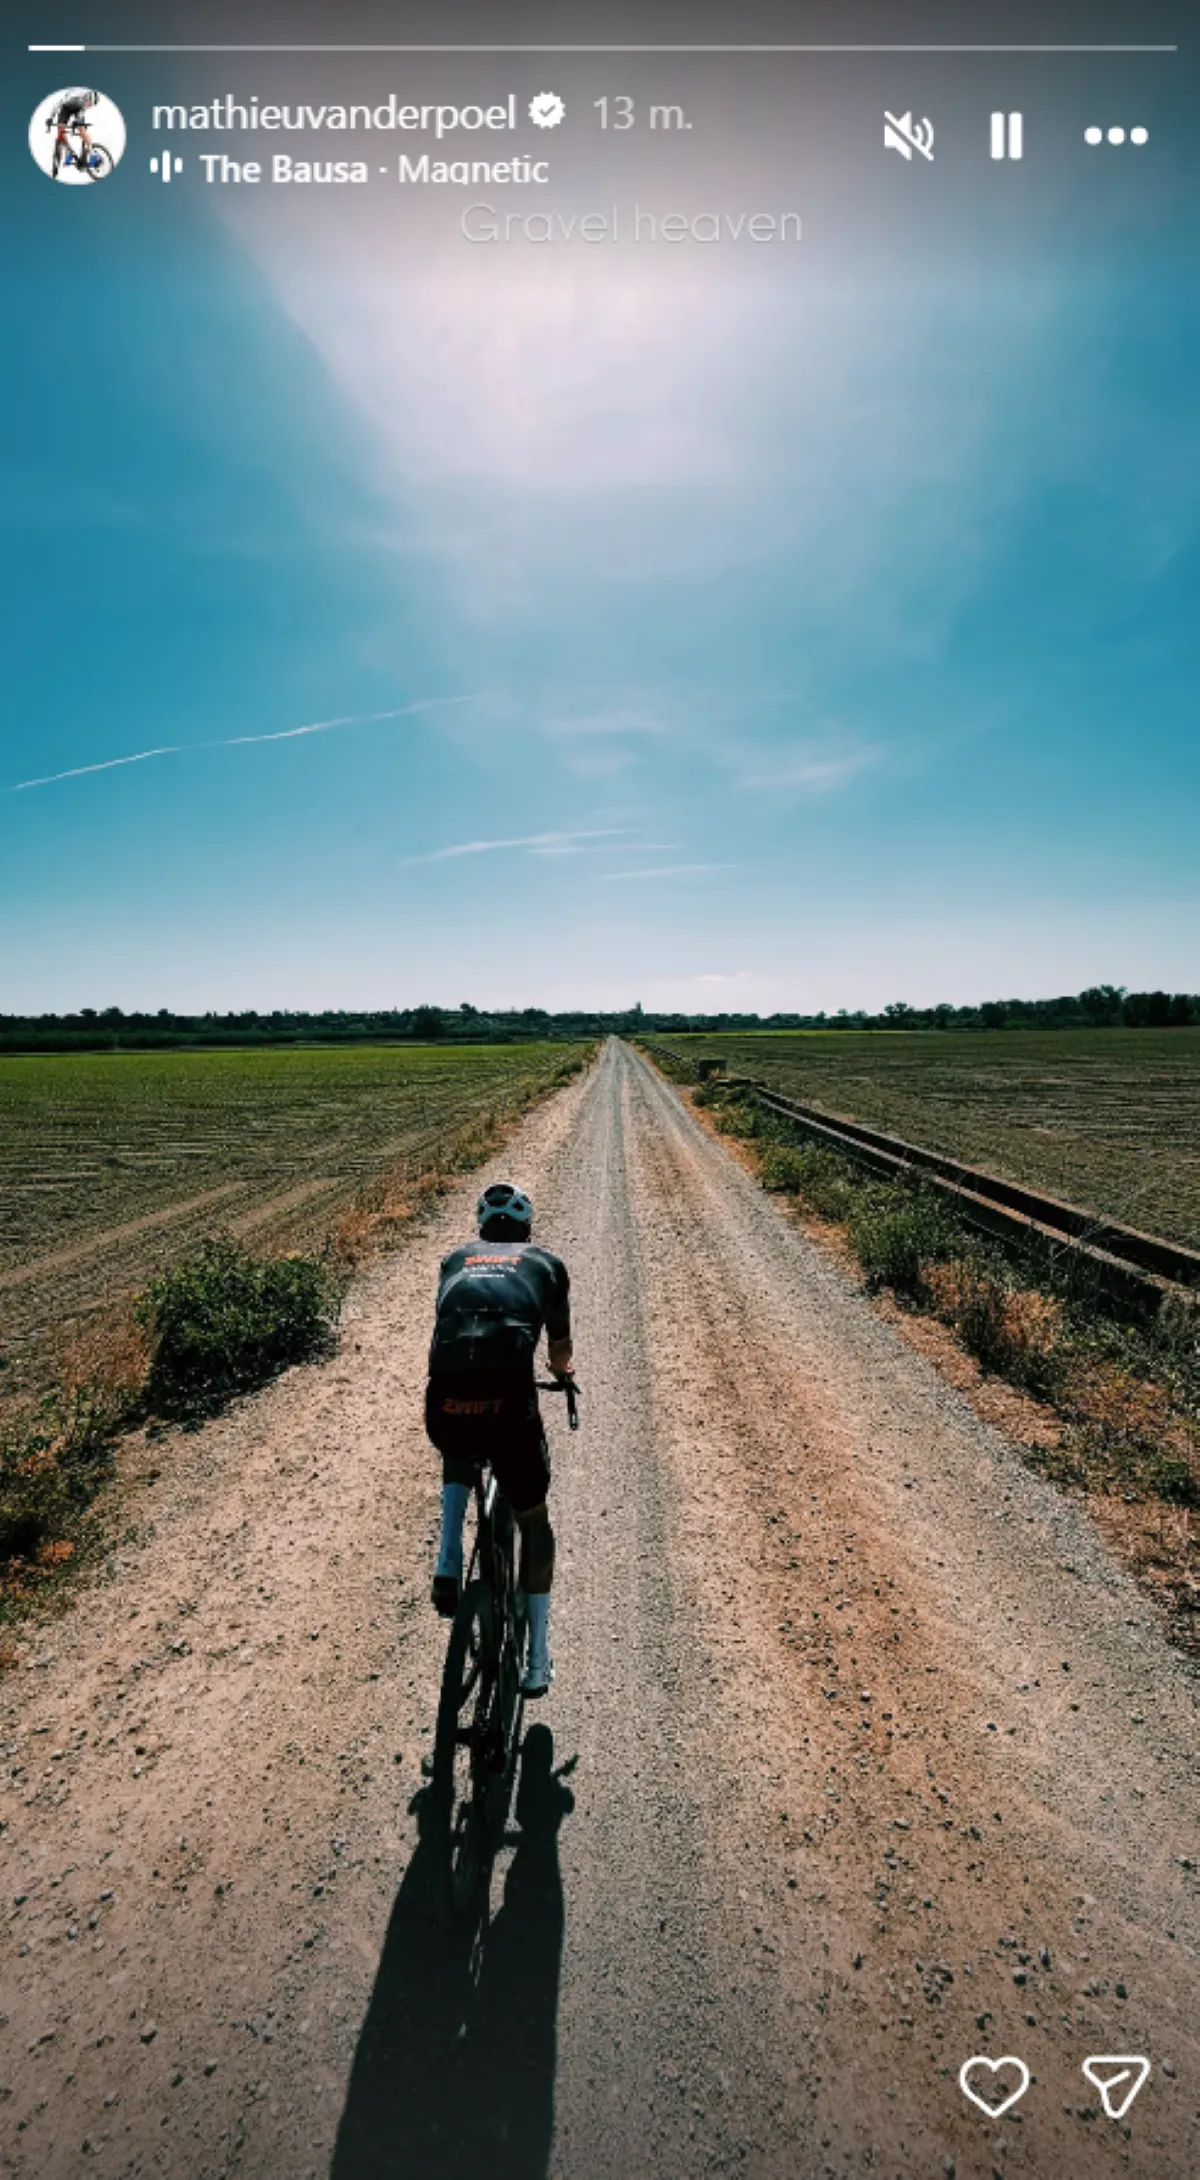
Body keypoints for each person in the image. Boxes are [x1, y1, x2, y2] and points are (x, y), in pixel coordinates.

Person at [424, 1181, 574, 1698]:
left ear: (481, 1228)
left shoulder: (454, 1261)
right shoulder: (547, 1265)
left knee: (459, 1444)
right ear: (527, 1228)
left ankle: (447, 1557)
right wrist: (563, 1374)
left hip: (444, 1399)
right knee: (534, 1521)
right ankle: (538, 1658)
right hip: (509, 1406)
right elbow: (558, 1351)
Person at [48, 89, 100, 176]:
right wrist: (50, 118)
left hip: (78, 109)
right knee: (60, 131)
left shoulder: (85, 102)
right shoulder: (71, 98)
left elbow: (81, 112)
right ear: (86, 98)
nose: (89, 106)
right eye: (89, 103)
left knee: (81, 129)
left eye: (91, 105)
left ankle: (93, 154)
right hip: (66, 108)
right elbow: (57, 105)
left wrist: (77, 121)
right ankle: (68, 154)